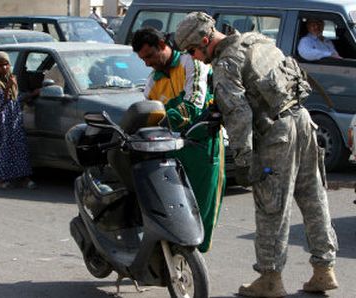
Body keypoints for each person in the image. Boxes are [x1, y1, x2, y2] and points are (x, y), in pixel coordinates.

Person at [175, 12, 338, 297]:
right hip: (303, 121)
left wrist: (243, 161)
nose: (196, 59)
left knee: (270, 205)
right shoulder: (257, 40)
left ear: (204, 40)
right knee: (313, 196)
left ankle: (270, 278)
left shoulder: (226, 64)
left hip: (276, 134)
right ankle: (324, 270)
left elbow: (238, 114)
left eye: (193, 51)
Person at [132, 27, 225, 253]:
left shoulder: (192, 62)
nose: (147, 63)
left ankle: (196, 262)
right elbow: (145, 114)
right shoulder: (152, 81)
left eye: (150, 56)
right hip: (170, 150)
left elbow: (192, 106)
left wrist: (163, 118)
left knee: (202, 213)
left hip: (203, 146)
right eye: (142, 59)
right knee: (172, 209)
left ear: (163, 45)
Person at [0, 51, 37, 190]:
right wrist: (9, 87)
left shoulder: (11, 79)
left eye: (6, 64)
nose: (4, 68)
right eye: (0, 65)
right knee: (2, 150)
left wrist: (32, 94)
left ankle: (23, 178)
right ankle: (2, 180)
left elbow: (15, 99)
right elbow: (0, 103)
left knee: (19, 148)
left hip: (13, 121)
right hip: (0, 122)